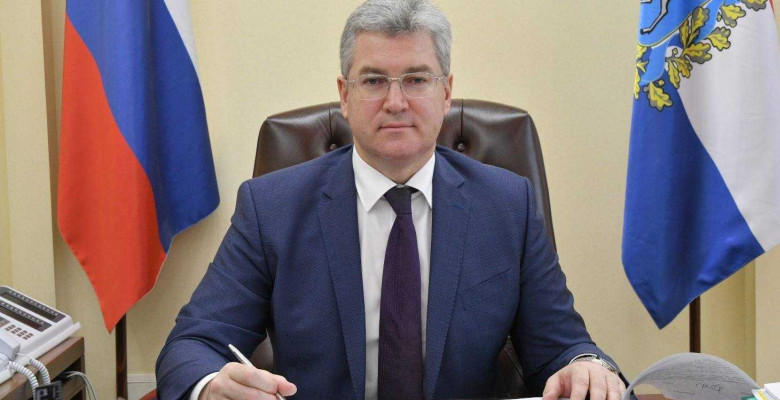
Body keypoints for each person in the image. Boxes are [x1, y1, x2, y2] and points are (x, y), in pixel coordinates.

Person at [156, 1, 626, 400]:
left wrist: (586, 366)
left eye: (417, 80)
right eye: (374, 81)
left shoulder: (507, 205)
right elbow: (192, 345)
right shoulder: (272, 208)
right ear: (344, 95)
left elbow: (562, 346)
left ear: (446, 93)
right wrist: (210, 386)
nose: (396, 102)